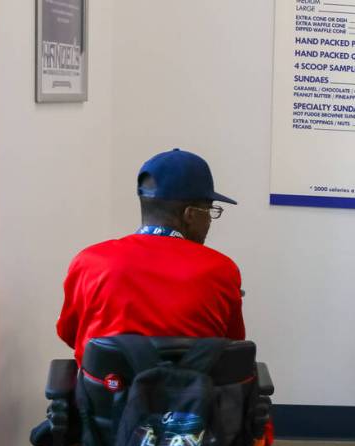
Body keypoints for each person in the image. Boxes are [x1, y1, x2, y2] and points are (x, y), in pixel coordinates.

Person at [57, 148, 245, 364]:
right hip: (195, 395)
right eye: (209, 211)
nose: (210, 221)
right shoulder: (221, 269)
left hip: (105, 395)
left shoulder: (89, 262)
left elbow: (69, 334)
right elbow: (232, 344)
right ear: (190, 215)